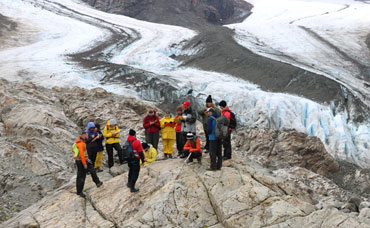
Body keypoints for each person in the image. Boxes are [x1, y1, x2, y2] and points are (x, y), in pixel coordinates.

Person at [73, 131, 103, 197]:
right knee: (82, 175)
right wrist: (84, 164)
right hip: (81, 161)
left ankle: (97, 182)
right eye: (86, 135)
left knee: (83, 174)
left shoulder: (79, 142)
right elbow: (81, 155)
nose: (88, 136)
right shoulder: (81, 144)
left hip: (81, 160)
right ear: (83, 136)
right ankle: (80, 191)